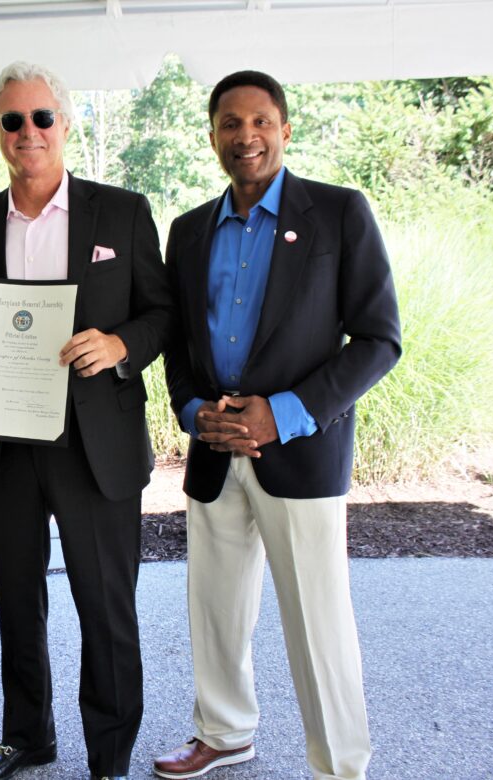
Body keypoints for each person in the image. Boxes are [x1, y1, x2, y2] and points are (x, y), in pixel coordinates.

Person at [153, 70, 402, 780]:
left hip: (299, 448)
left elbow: (380, 340)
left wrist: (282, 414)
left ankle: (340, 765)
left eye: (260, 121)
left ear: (285, 130)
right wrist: (192, 409)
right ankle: (225, 734)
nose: (246, 136)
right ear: (212, 137)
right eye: (230, 124)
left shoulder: (340, 213)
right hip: (214, 447)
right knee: (216, 611)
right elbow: (178, 341)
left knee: (318, 625)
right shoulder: (190, 229)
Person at [0, 62, 173, 780]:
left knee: (106, 609)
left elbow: (163, 312)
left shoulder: (122, 211)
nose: (28, 132)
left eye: (42, 117)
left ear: (66, 124)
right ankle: (27, 737)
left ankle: (109, 758)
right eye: (12, 120)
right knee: (16, 600)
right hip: (8, 445)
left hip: (95, 444)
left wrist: (120, 345)